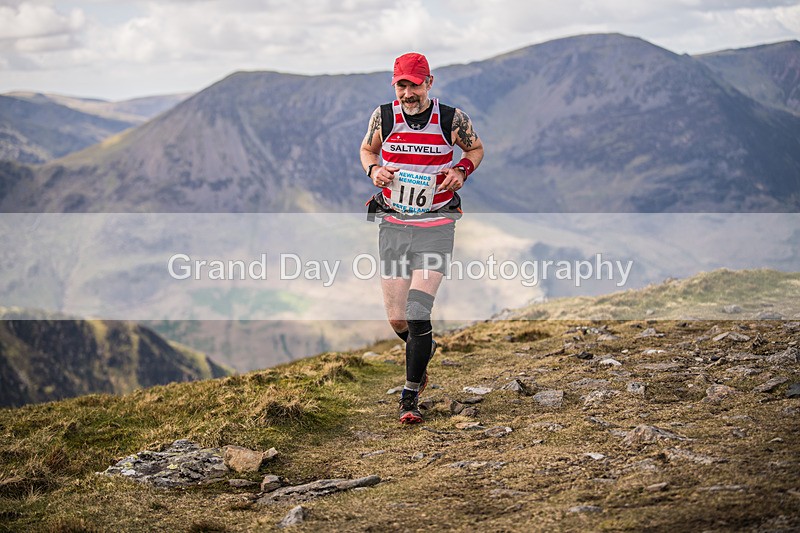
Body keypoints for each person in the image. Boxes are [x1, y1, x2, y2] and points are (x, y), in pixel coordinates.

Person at [359, 52, 484, 424]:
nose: (408, 92)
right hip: (394, 225)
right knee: (399, 321)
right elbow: (368, 149)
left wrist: (461, 170)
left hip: (436, 225)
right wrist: (374, 170)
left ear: (429, 82)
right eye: (402, 84)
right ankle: (422, 347)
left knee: (417, 311)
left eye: (415, 83)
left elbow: (475, 148)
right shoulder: (383, 116)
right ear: (394, 84)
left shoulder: (451, 119)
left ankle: (409, 397)